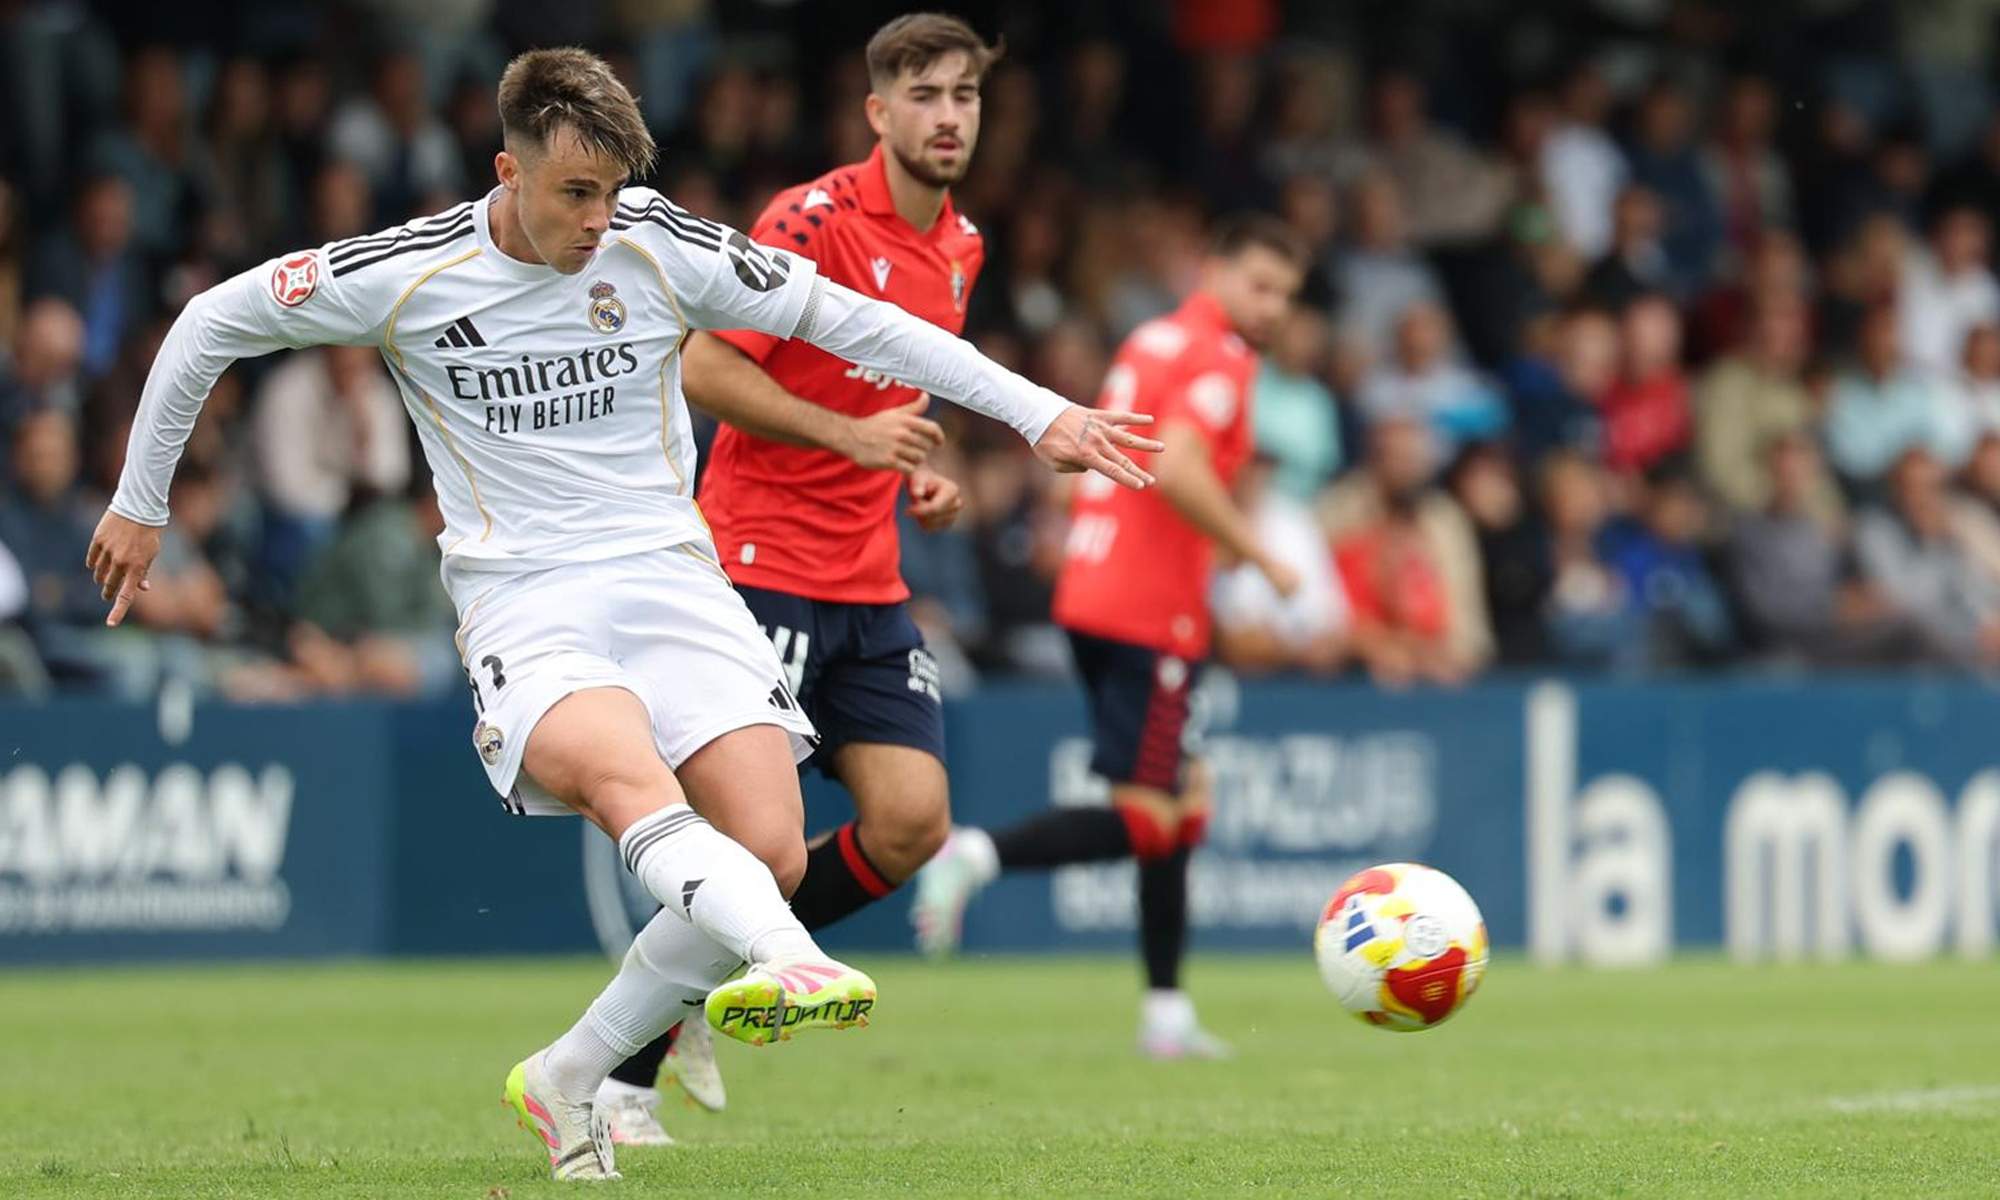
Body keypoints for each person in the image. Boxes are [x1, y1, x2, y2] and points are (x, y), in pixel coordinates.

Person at [84, 47, 1158, 1183]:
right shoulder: (409, 270)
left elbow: (861, 326)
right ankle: (786, 962)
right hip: (525, 602)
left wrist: (1037, 415)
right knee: (630, 788)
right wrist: (140, 503)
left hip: (668, 579)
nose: (599, 220)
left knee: (774, 846)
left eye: (611, 191)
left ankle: (565, 1075)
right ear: (508, 170)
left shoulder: (661, 243)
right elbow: (209, 319)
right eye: (574, 194)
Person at [594, 13, 1002, 1147]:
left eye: (964, 96)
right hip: (758, 567)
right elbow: (708, 362)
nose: (948, 116)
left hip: (867, 579)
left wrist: (919, 473)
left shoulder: (960, 246)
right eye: (924, 95)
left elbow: (897, 402)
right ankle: (623, 1076)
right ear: (877, 112)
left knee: (914, 824)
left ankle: (703, 997)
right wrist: (848, 438)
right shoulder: (807, 222)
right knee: (750, 845)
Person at [910, 215, 1306, 1059]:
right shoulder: (1221, 357)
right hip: (1148, 609)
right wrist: (1258, 554)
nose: (1271, 308)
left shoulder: (1152, 340)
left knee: (1185, 800)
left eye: (1285, 295)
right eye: (1260, 286)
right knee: (1153, 818)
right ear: (1215, 270)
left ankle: (1166, 1011)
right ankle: (973, 854)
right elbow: (1182, 466)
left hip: (1096, 589)